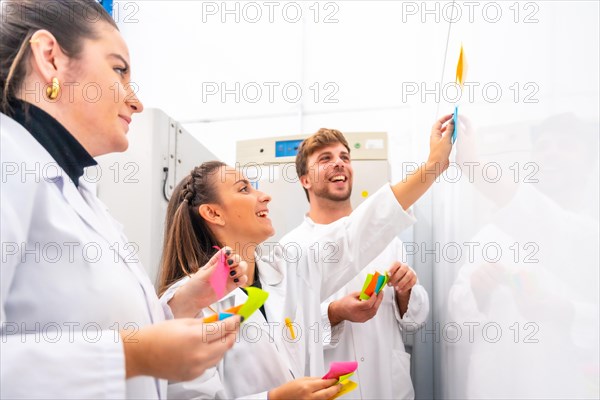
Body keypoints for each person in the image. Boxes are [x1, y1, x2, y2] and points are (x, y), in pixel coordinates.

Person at [0, 1, 247, 398]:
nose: (135, 101)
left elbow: (90, 327)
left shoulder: (81, 194)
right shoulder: (7, 160)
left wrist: (182, 304)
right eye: (119, 70)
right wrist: (136, 356)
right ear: (49, 58)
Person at [157, 116, 454, 398]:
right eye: (244, 189)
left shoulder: (287, 267)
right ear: (213, 212)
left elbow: (360, 230)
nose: (264, 196)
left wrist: (432, 167)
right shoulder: (187, 305)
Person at [280, 128, 429, 399]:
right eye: (325, 158)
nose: (339, 163)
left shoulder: (388, 239)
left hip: (386, 385)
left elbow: (415, 322)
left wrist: (405, 291)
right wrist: (335, 312)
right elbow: (288, 331)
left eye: (344, 157)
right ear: (305, 180)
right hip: (334, 390)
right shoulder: (290, 248)